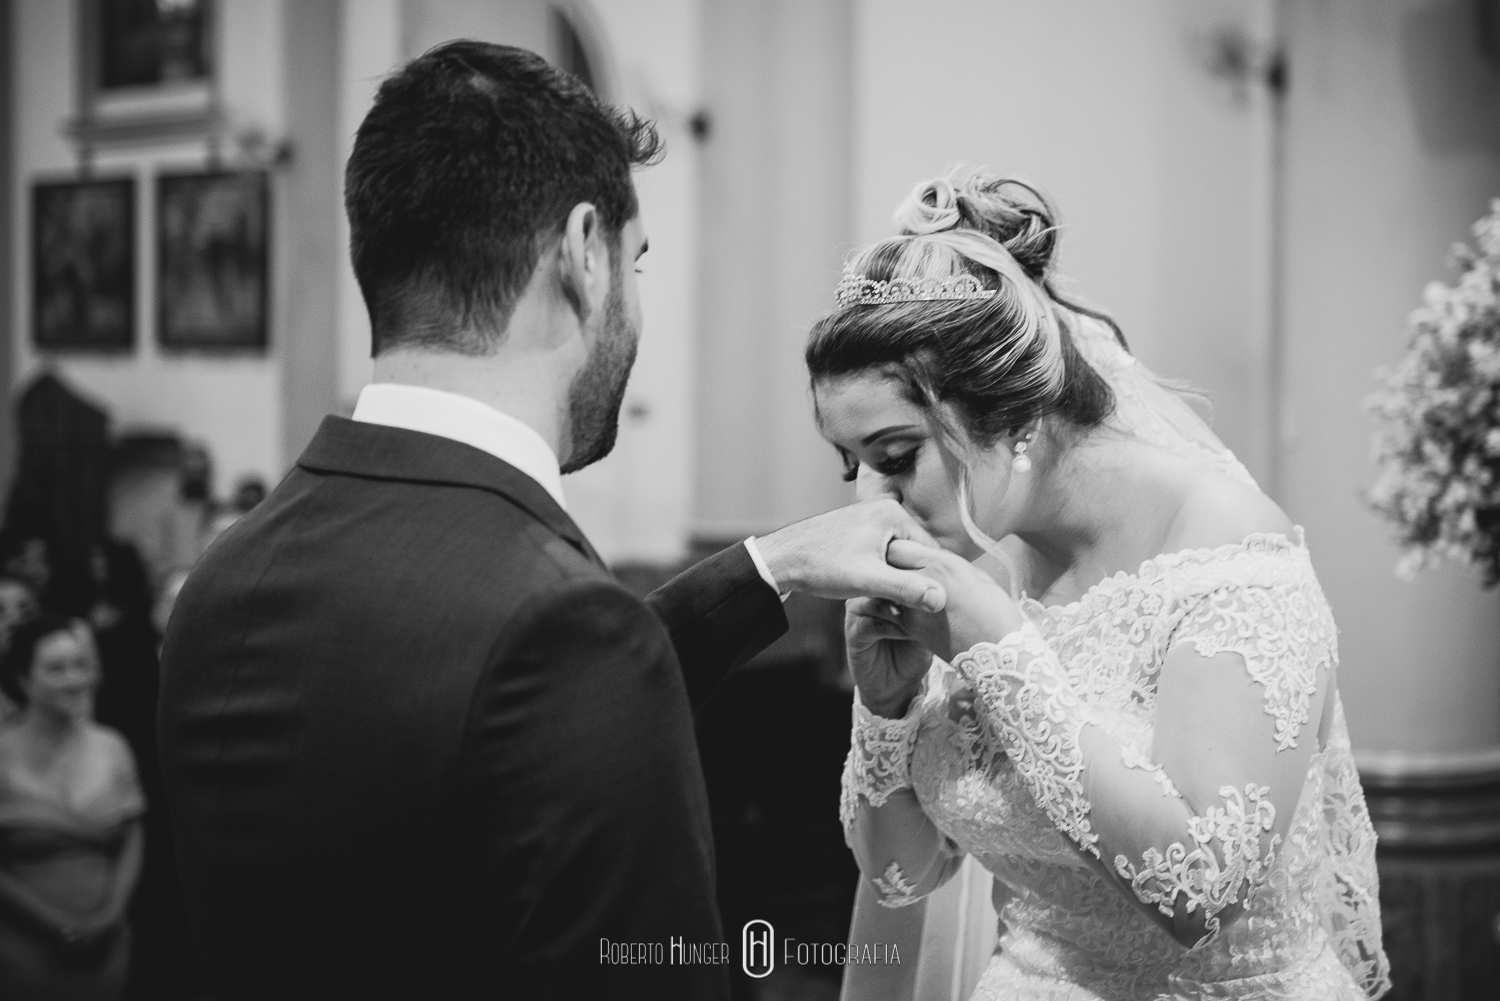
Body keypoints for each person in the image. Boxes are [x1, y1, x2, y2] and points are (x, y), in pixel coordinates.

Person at [158, 41, 946, 1001]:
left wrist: (766, 565)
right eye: (638, 260)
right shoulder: (560, 634)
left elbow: (460, 733)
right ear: (582, 252)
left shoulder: (224, 580)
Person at [815, 169, 1390, 1000]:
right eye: (856, 466)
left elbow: (1199, 889)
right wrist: (887, 707)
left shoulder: (1227, 550)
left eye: (896, 457)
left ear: (1005, 410)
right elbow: (904, 876)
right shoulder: (979, 561)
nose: (874, 502)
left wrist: (1000, 652)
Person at [0, 614, 145, 1001]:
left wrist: (111, 916)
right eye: (56, 668)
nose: (75, 679)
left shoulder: (112, 745)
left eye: (81, 665)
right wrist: (55, 924)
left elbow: (132, 837)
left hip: (108, 942)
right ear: (23, 678)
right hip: (22, 944)